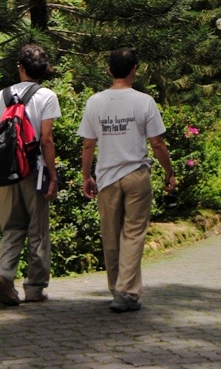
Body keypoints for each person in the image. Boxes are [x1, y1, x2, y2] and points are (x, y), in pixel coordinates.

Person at [79, 47, 176, 312]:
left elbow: (88, 144)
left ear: (109, 70)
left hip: (107, 178)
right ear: (135, 70)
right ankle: (127, 292)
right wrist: (169, 172)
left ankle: (116, 289)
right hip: (136, 176)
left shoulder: (95, 102)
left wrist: (86, 176)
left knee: (110, 236)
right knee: (133, 234)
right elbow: (157, 143)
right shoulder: (144, 101)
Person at [0, 43, 60, 306]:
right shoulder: (46, 96)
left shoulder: (1, 96)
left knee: (12, 227)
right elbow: (46, 140)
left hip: (6, 171)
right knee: (38, 230)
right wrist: (52, 175)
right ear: (43, 69)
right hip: (33, 171)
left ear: (21, 68)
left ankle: (3, 273)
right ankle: (35, 288)